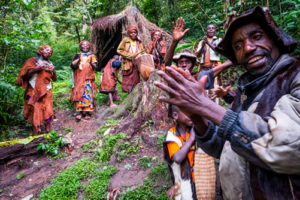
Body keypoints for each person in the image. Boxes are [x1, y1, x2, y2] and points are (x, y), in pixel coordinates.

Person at [155, 6, 299, 200]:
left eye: (257, 36)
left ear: (275, 38)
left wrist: (204, 106)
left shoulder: (294, 77)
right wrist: (197, 117)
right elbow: (224, 146)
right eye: (238, 45)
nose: (247, 48)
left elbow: (288, 146)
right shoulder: (244, 93)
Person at [16, 45, 56, 135]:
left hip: (47, 90)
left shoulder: (50, 64)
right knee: (35, 109)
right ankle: (36, 132)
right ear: (41, 51)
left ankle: (48, 131)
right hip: (33, 89)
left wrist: (54, 71)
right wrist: (36, 69)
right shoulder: (32, 61)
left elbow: (54, 78)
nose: (49, 52)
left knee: (48, 109)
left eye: (51, 52)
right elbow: (25, 75)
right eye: (47, 50)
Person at [163, 104, 197, 200]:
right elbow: (177, 158)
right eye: (187, 112)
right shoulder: (172, 135)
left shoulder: (194, 130)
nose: (191, 114)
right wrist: (191, 139)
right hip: (183, 185)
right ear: (175, 115)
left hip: (200, 183)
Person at [70, 40, 97, 121]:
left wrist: (91, 61)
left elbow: (95, 67)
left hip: (88, 78)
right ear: (80, 47)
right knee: (79, 93)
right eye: (83, 45)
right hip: (78, 78)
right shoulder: (76, 55)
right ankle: (80, 112)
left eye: (87, 45)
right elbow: (73, 66)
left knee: (88, 94)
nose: (85, 46)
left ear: (89, 47)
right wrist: (79, 59)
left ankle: (87, 112)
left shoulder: (92, 55)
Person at [117, 25, 145, 93]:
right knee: (128, 79)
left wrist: (140, 56)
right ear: (129, 33)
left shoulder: (139, 41)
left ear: (137, 33)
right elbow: (119, 50)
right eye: (131, 32)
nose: (133, 34)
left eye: (135, 32)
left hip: (137, 63)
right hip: (127, 63)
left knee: (136, 79)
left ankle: (135, 94)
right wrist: (129, 55)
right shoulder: (125, 40)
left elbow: (142, 51)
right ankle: (129, 94)